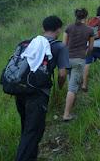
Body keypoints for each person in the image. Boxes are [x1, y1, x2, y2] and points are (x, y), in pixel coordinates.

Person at [15, 15, 69, 161]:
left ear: (43, 28)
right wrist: (60, 86)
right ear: (58, 29)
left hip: (19, 90)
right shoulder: (59, 46)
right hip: (38, 94)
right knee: (33, 132)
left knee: (27, 129)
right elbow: (63, 74)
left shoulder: (28, 43)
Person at [63, 8, 94, 121]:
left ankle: (71, 106)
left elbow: (63, 45)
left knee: (71, 83)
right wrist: (85, 54)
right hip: (79, 60)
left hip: (67, 59)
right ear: (86, 17)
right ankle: (66, 114)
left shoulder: (68, 28)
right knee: (72, 87)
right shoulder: (89, 30)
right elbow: (90, 48)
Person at [82, 5, 100, 91]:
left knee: (87, 63)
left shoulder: (91, 20)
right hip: (99, 46)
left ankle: (84, 84)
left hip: (88, 45)